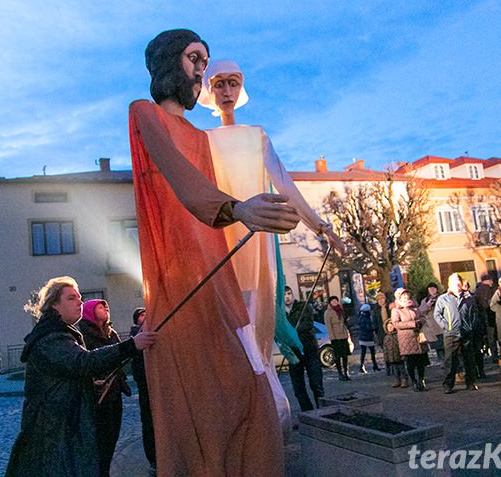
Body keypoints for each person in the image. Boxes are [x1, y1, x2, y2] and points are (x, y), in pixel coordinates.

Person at [128, 29, 297, 475]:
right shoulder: (145, 114)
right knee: (203, 404)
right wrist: (238, 208)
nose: (201, 70)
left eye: (205, 60)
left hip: (219, 272)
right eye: (194, 58)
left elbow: (238, 181)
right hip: (181, 281)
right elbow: (183, 180)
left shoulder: (203, 139)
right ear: (169, 62)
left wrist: (262, 212)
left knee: (253, 391)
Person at [198, 59, 344, 426]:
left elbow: (285, 184)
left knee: (261, 317)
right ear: (209, 91)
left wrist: (321, 227)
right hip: (223, 236)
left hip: (259, 239)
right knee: (230, 321)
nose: (227, 91)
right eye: (219, 84)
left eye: (233, 83)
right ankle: (241, 410)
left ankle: (264, 410)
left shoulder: (257, 135)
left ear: (241, 88)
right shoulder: (203, 141)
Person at [6, 276, 157, 476]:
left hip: (63, 426)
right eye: (71, 298)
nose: (80, 302)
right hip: (54, 431)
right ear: (54, 305)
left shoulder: (61, 332)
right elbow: (82, 362)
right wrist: (131, 345)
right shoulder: (50, 337)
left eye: (79, 298)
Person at [77, 299, 131, 476]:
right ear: (90, 311)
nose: (106, 308)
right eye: (100, 306)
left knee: (111, 438)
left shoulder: (111, 332)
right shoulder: (83, 334)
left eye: (106, 305)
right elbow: (87, 362)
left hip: (114, 394)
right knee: (98, 442)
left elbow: (120, 356)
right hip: (96, 397)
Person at [433, 273, 481, 393]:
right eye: (456, 283)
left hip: (466, 332)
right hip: (451, 334)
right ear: (451, 285)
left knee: (469, 359)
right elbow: (437, 315)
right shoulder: (443, 299)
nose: (459, 285)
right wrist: (446, 326)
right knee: (450, 360)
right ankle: (448, 385)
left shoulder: (468, 298)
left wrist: (471, 326)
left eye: (459, 283)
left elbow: (475, 313)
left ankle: (470, 382)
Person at [284, 286, 324, 411]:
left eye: (289, 293)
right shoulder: (280, 313)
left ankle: (322, 411)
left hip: (309, 349)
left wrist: (293, 332)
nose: (287, 297)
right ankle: (308, 413)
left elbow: (308, 323)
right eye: (284, 295)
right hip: (293, 353)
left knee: (316, 383)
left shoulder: (303, 307)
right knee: (298, 388)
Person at [129, 308, 156, 472]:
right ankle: (153, 459)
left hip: (153, 382)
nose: (145, 316)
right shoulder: (135, 335)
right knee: (148, 421)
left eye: (147, 313)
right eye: (141, 315)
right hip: (145, 384)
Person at [391, 288, 429, 391]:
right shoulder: (396, 310)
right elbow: (396, 324)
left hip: (418, 338)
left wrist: (420, 322)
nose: (406, 297)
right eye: (403, 295)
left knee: (421, 362)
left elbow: (422, 317)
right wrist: (412, 324)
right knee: (411, 362)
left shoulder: (415, 307)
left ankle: (421, 380)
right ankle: (414, 382)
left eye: (407, 294)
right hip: (407, 339)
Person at [325, 295, 351, 381]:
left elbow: (344, 322)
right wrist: (332, 337)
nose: (335, 302)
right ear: (330, 303)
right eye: (333, 301)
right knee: (338, 356)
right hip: (336, 337)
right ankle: (340, 373)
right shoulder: (328, 312)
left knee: (345, 356)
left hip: (343, 335)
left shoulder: (341, 310)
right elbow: (329, 326)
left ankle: (346, 372)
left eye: (336, 301)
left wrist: (347, 333)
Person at [418, 282, 444, 363]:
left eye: (433, 288)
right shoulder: (425, 300)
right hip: (432, 329)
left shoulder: (441, 298)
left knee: (446, 347)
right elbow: (420, 311)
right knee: (438, 348)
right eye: (430, 289)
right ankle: (443, 364)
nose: (431, 290)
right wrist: (427, 305)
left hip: (441, 326)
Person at [383, 319, 408, 388]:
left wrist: (403, 354)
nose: (390, 328)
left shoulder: (398, 335)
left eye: (391, 326)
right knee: (395, 370)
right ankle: (397, 380)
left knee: (401, 369)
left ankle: (404, 380)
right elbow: (385, 349)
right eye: (388, 327)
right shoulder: (386, 338)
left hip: (399, 356)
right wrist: (386, 358)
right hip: (391, 357)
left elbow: (402, 345)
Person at [356, 304, 380, 373]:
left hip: (362, 337)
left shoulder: (360, 316)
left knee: (363, 352)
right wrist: (374, 328)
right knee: (372, 352)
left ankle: (362, 366)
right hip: (368, 337)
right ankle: (374, 365)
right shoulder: (367, 317)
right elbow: (369, 327)